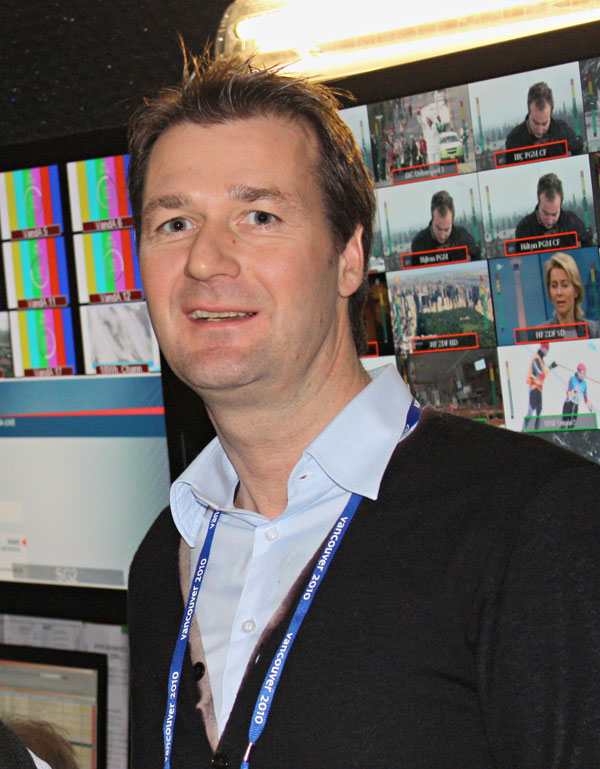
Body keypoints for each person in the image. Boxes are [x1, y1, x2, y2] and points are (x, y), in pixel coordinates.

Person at [127, 51, 600, 769]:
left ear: (350, 256)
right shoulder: (164, 558)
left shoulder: (535, 523)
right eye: (174, 223)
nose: (205, 260)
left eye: (259, 216)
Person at [515, 172, 593, 246]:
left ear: (561, 204)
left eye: (554, 214)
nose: (549, 221)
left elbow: (589, 240)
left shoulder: (572, 222)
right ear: (538, 200)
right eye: (545, 213)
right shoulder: (523, 229)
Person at [505, 81, 583, 154]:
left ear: (551, 112)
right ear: (528, 110)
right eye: (536, 123)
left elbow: (580, 152)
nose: (540, 131)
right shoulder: (514, 140)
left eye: (544, 124)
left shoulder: (562, 131)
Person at [542, 251, 600, 337]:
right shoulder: (540, 334)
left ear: (576, 291)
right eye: (554, 286)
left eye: (565, 285)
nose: (559, 292)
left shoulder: (594, 331)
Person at [410, 190, 481, 258]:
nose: (442, 236)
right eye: (438, 229)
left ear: (452, 220)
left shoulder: (462, 237)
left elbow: (478, 256)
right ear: (432, 216)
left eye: (446, 230)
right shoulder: (419, 243)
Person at [522, 342, 557, 431]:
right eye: (546, 348)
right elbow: (540, 377)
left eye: (548, 349)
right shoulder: (536, 358)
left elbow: (541, 377)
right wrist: (550, 368)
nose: (547, 351)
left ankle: (536, 431)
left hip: (539, 389)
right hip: (534, 388)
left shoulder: (541, 359)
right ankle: (522, 431)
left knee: (538, 411)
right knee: (531, 411)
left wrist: (550, 367)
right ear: (542, 348)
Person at [562, 363, 594, 428]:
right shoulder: (572, 379)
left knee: (572, 425)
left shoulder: (584, 384)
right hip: (568, 404)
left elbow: (585, 398)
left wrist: (589, 406)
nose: (583, 375)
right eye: (582, 373)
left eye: (584, 373)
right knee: (565, 423)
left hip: (575, 406)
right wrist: (575, 391)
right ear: (578, 372)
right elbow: (568, 394)